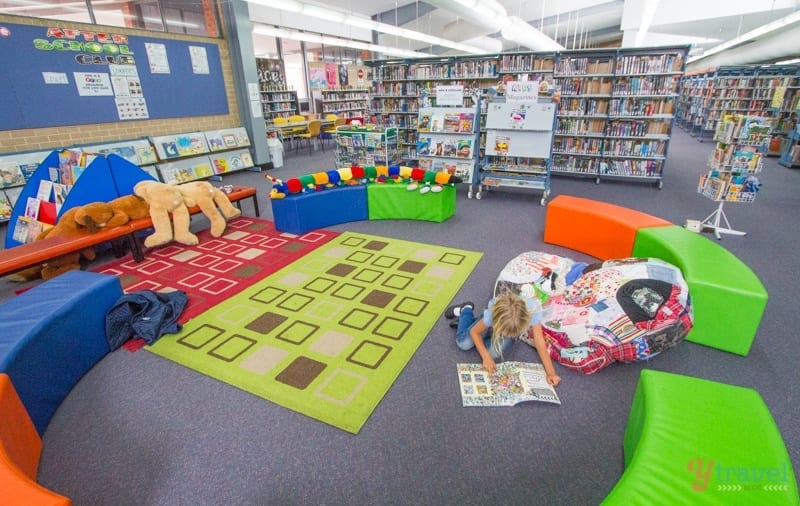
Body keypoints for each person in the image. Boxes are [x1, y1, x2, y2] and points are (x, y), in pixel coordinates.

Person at [445, 293, 561, 386]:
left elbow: (539, 341)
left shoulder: (534, 311)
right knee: (464, 343)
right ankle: (466, 310)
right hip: (491, 322)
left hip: (503, 325)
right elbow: (474, 332)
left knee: (494, 354)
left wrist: (551, 373)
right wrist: (485, 357)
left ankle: (471, 325)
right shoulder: (493, 313)